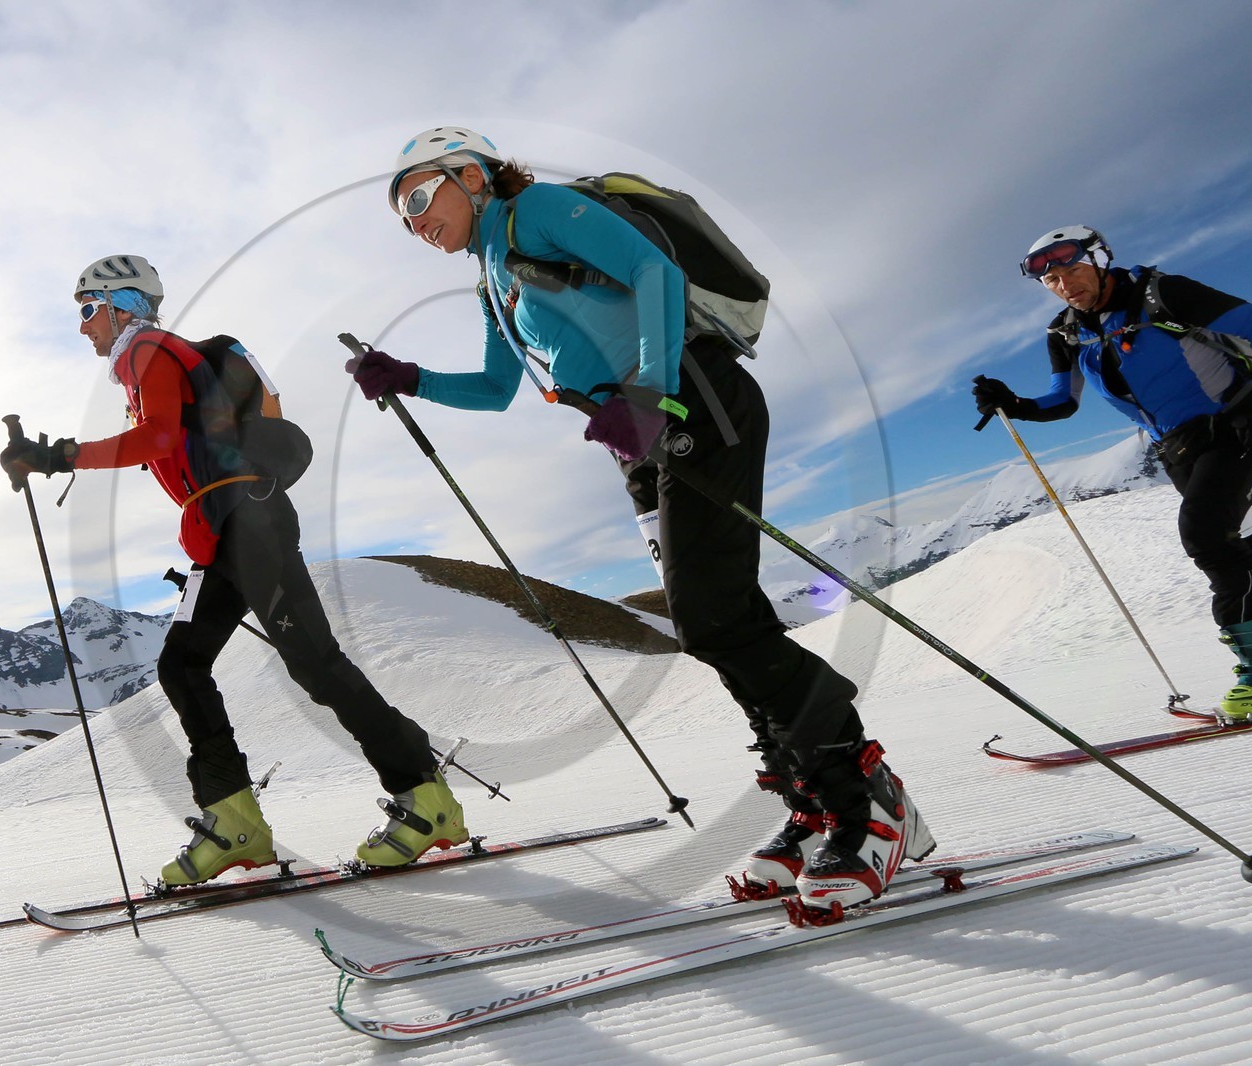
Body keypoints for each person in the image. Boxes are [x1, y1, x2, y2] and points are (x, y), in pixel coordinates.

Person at [348, 127, 934, 913]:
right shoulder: (493, 276)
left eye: (420, 196)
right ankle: (816, 798)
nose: (416, 221)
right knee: (720, 618)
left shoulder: (540, 208)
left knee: (714, 618)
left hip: (688, 399)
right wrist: (409, 377)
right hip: (635, 441)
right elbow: (497, 388)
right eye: (403, 217)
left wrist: (651, 392)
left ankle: (869, 800)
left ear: (473, 174)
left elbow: (652, 271)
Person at [0, 254, 466, 884]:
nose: (84, 328)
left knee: (315, 665)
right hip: (224, 533)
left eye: (89, 311)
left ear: (123, 305)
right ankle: (234, 821)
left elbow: (160, 438)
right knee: (184, 662)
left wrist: (61, 455)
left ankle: (425, 801)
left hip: (250, 527)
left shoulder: (149, 350)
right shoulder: (148, 362)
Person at [974, 226, 1252, 720]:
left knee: (1207, 534)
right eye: (1050, 279)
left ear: (1099, 259)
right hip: (1178, 447)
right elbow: (1063, 401)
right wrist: (1015, 404)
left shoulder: (1164, 293)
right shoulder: (1065, 332)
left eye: (1072, 269)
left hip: (1234, 424)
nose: (1064, 284)